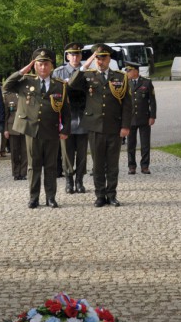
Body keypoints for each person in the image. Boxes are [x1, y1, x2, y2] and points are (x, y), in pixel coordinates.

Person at [3, 48, 71, 208]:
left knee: (51, 165)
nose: (43, 67)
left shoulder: (60, 86)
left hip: (51, 130)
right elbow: (6, 86)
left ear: (51, 66)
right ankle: (34, 198)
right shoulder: (25, 82)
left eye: (46, 64)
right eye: (39, 64)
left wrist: (65, 129)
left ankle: (50, 197)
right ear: (34, 66)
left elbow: (66, 111)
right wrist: (22, 71)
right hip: (31, 130)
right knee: (33, 166)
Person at [68, 43, 133, 207]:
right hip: (95, 126)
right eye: (97, 58)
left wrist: (125, 126)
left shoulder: (120, 77)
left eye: (103, 58)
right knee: (97, 164)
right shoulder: (88, 75)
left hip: (114, 126)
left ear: (109, 58)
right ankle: (100, 195)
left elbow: (127, 104)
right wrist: (85, 66)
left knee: (112, 163)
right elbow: (72, 85)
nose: (100, 61)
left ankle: (111, 194)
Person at [53, 42, 89, 194]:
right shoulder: (58, 73)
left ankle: (79, 180)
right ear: (67, 56)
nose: (75, 57)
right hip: (66, 117)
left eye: (78, 54)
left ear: (81, 56)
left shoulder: (88, 72)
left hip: (83, 116)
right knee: (66, 153)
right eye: (72, 54)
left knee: (82, 153)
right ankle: (69, 180)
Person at [125, 61, 156, 174]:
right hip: (130, 119)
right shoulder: (126, 83)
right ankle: (131, 166)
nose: (127, 72)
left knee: (145, 144)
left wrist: (152, 116)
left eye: (129, 70)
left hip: (144, 117)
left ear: (136, 71)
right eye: (127, 70)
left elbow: (152, 101)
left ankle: (145, 166)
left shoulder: (146, 82)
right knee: (130, 144)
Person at [3, 90, 28, 180]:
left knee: (25, 152)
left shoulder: (27, 94)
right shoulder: (8, 96)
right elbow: (6, 114)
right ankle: (16, 173)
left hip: (25, 127)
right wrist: (5, 129)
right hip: (12, 127)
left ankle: (23, 173)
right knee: (14, 151)